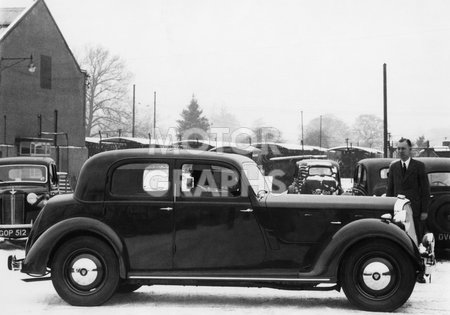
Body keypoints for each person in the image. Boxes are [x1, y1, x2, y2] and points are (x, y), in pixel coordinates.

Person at [387, 138, 430, 282]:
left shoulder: (419, 166)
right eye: (398, 149)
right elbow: (390, 190)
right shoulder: (393, 167)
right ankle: (400, 272)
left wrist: (424, 211)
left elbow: (425, 190)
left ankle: (419, 273)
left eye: (403, 148)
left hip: (415, 212)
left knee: (416, 241)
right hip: (398, 212)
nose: (400, 151)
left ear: (410, 150)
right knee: (399, 241)